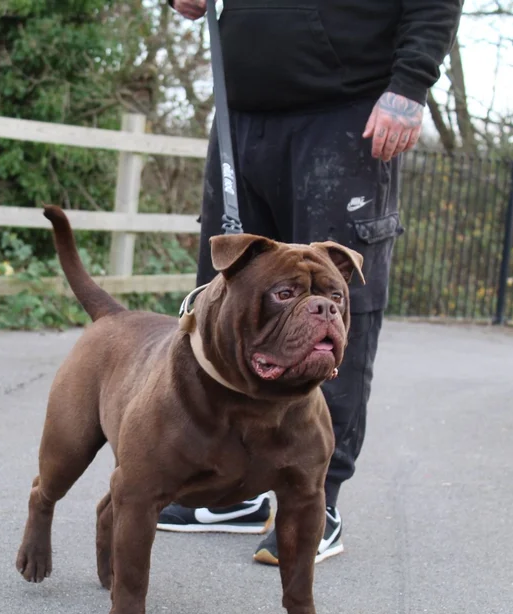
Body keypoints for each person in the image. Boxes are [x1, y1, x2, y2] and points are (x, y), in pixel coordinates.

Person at [156, 0, 462, 565]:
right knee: (226, 302)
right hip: (240, 108)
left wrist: (411, 83)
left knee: (328, 308)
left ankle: (316, 499)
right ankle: (226, 490)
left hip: (345, 111)